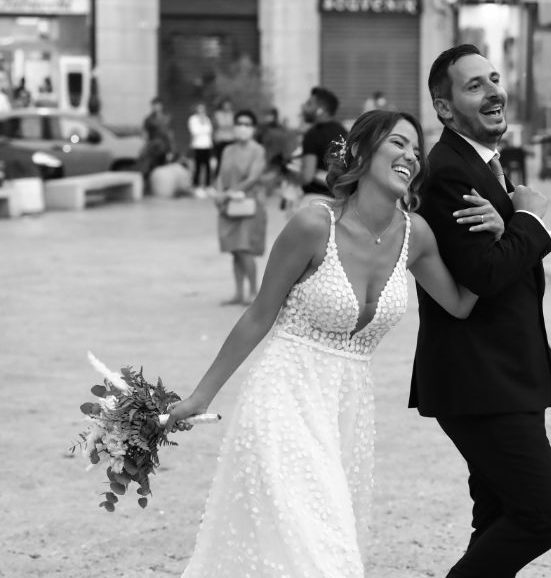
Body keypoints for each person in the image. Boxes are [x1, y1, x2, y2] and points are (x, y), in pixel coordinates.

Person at [166, 109, 506, 577]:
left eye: (415, 148)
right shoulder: (312, 224)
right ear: (362, 152)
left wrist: (507, 232)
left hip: (347, 413)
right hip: (282, 399)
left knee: (314, 544)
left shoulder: (417, 235)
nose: (410, 155)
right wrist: (200, 397)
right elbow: (259, 315)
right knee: (321, 554)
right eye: (397, 143)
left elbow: (462, 304)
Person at [411, 43, 551, 577]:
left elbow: (505, 275)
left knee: (500, 515)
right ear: (445, 107)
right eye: (474, 85)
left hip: (507, 367)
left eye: (494, 79)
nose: (494, 91)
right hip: (480, 379)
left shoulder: (483, 164)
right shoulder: (450, 173)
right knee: (545, 515)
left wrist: (542, 353)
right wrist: (530, 219)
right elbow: (482, 275)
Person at [213, 110, 268, 305]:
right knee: (234, 250)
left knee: (244, 249)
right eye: (239, 123)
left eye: (247, 124)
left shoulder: (258, 150)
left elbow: (253, 177)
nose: (242, 128)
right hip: (228, 206)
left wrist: (229, 193)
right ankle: (238, 293)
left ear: (253, 128)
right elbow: (220, 175)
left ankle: (253, 292)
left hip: (248, 205)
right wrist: (219, 194)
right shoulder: (228, 150)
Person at [300, 87, 348, 202]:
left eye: (309, 104)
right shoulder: (343, 132)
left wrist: (294, 175)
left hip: (315, 198)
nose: (304, 107)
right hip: (341, 200)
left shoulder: (312, 135)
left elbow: (307, 177)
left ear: (321, 110)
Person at [139, 97, 174, 185]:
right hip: (153, 147)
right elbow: (145, 134)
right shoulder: (148, 119)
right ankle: (150, 185)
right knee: (152, 167)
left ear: (161, 106)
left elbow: (170, 134)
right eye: (154, 105)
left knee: (163, 167)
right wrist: (144, 147)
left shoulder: (167, 117)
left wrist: (171, 149)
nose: (156, 107)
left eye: (157, 105)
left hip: (165, 147)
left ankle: (162, 185)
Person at [187, 102, 214, 195]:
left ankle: (208, 185)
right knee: (198, 166)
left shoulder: (207, 119)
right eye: (199, 109)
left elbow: (209, 130)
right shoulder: (193, 119)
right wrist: (203, 127)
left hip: (207, 145)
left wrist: (203, 127)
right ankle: (196, 185)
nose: (201, 111)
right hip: (197, 146)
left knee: (207, 166)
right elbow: (195, 131)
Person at [211, 99, 235, 179]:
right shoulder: (218, 114)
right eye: (225, 104)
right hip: (220, 139)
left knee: (230, 160)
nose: (227, 106)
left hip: (230, 139)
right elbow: (218, 125)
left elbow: (232, 126)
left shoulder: (232, 114)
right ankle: (218, 177)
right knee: (220, 159)